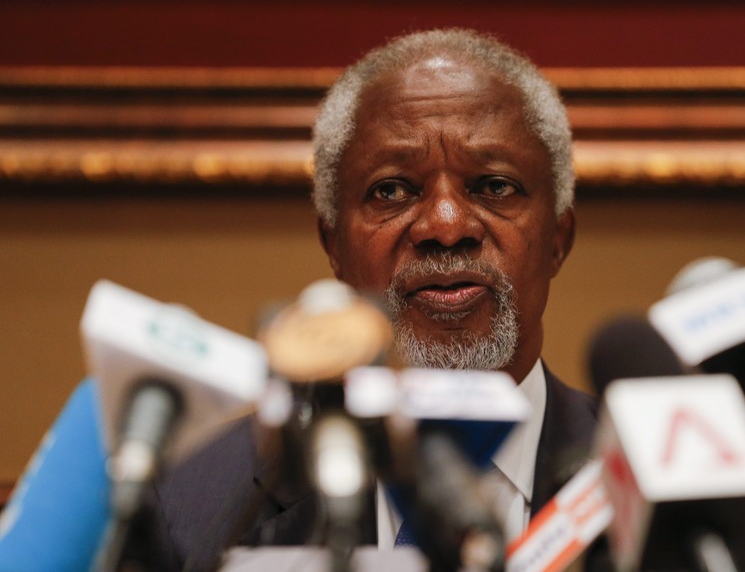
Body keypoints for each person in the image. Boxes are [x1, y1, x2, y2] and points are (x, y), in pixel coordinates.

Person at [146, 28, 599, 570]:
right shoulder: (191, 508)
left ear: (558, 239)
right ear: (333, 246)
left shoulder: (650, 479)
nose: (446, 226)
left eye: (494, 186)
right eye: (392, 190)